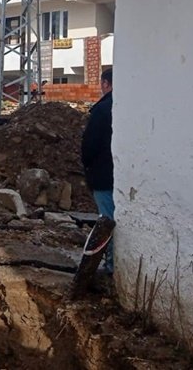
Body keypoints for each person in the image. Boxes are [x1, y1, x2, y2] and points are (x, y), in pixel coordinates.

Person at [81, 68, 114, 273]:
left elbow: (89, 146)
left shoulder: (102, 110)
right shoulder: (123, 106)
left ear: (105, 83)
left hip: (103, 176)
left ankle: (111, 267)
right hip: (115, 174)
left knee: (107, 221)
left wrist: (87, 166)